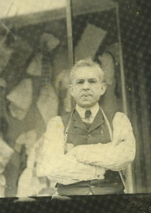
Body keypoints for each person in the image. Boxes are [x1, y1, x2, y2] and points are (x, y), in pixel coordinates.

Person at [36, 58, 136, 196]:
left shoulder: (118, 120)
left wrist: (77, 152)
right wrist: (100, 166)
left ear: (102, 88)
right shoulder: (57, 124)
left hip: (111, 202)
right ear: (72, 90)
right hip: (71, 204)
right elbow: (51, 168)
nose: (86, 87)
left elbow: (124, 157)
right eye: (80, 82)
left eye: (92, 81)